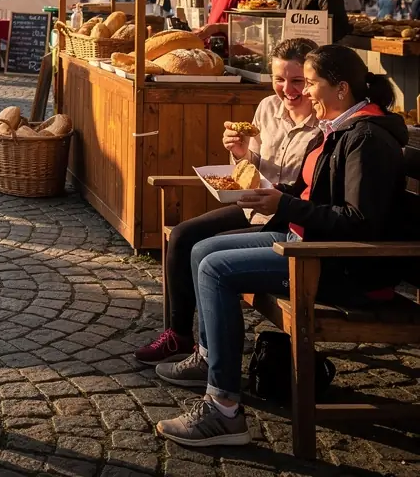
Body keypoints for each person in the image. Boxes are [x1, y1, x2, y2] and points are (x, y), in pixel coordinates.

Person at [154, 45, 408, 448]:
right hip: (309, 244)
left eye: (310, 83)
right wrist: (269, 192)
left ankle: (223, 410)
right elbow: (315, 193)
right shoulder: (342, 128)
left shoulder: (367, 139)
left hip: (340, 267)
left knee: (214, 269)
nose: (305, 93)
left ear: (341, 89)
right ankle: (208, 359)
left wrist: (285, 203)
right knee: (201, 249)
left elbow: (360, 222)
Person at [132, 38, 320, 365]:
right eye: (279, 79)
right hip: (252, 205)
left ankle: (216, 351)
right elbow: (251, 169)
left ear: (312, 81)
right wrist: (241, 153)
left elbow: (308, 189)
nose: (287, 89)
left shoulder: (322, 122)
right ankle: (179, 336)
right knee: (182, 235)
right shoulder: (267, 109)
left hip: (284, 216)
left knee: (210, 250)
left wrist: (273, 192)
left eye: (297, 81)